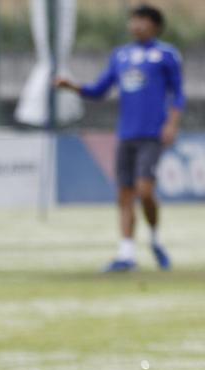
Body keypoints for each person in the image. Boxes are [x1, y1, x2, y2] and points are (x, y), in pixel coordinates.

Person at [56, 4, 184, 273]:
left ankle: (155, 239)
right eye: (133, 21)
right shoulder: (120, 56)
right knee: (124, 194)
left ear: (155, 26)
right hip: (126, 134)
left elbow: (178, 94)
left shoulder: (166, 55)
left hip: (152, 134)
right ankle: (126, 254)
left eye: (142, 21)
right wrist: (72, 86)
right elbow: (99, 91)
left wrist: (171, 124)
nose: (136, 25)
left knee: (145, 190)